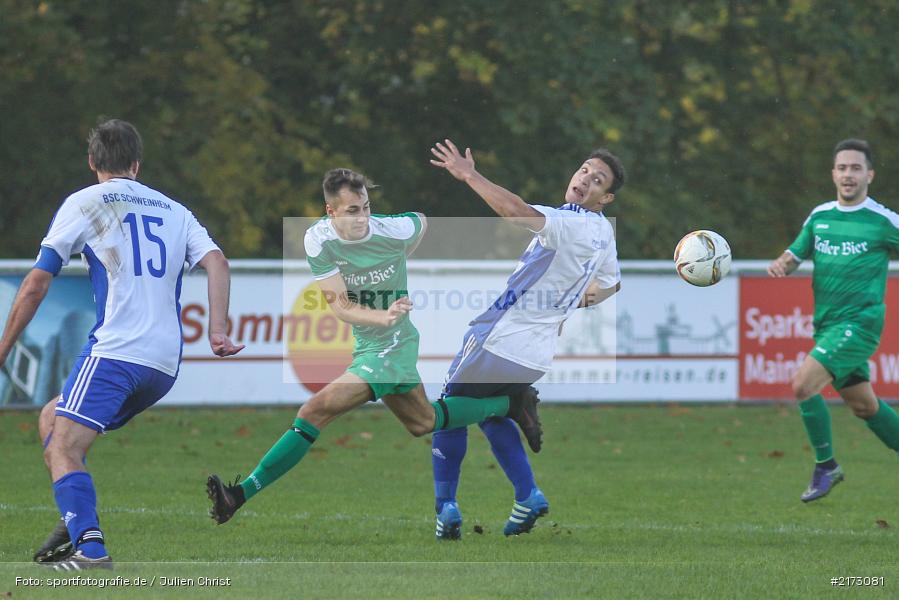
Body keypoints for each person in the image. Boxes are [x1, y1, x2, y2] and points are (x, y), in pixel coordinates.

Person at [205, 168, 541, 525]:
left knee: (313, 411)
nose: (363, 217)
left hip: (394, 343)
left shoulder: (391, 229)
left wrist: (401, 256)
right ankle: (510, 403)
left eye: (366, 207)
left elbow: (421, 222)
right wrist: (382, 316)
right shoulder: (318, 240)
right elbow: (342, 307)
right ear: (330, 212)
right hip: (371, 341)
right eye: (352, 210)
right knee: (423, 421)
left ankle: (238, 496)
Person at [0, 119, 244, 570]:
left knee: (64, 447)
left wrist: (3, 348)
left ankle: (91, 550)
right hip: (164, 365)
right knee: (52, 418)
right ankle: (76, 518)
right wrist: (217, 331)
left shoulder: (86, 201)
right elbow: (218, 262)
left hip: (116, 352)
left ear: (93, 162)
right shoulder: (176, 210)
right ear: (137, 164)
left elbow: (36, 283)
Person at [428, 139, 624, 539]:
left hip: (499, 336)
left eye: (598, 179)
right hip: (535, 354)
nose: (586, 178)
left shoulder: (569, 220)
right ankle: (528, 495)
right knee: (492, 414)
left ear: (606, 197)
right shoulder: (603, 234)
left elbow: (515, 211)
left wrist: (470, 175)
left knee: (446, 413)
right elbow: (611, 285)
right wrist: (565, 304)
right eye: (585, 169)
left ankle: (445, 508)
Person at [767, 138, 899, 502]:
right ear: (833, 174)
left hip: (860, 324)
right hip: (828, 325)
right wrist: (783, 264)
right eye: (842, 168)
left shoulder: (883, 221)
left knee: (802, 385)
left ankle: (826, 465)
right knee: (865, 406)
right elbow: (795, 253)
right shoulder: (820, 216)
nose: (848, 174)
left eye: (856, 168)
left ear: (869, 175)